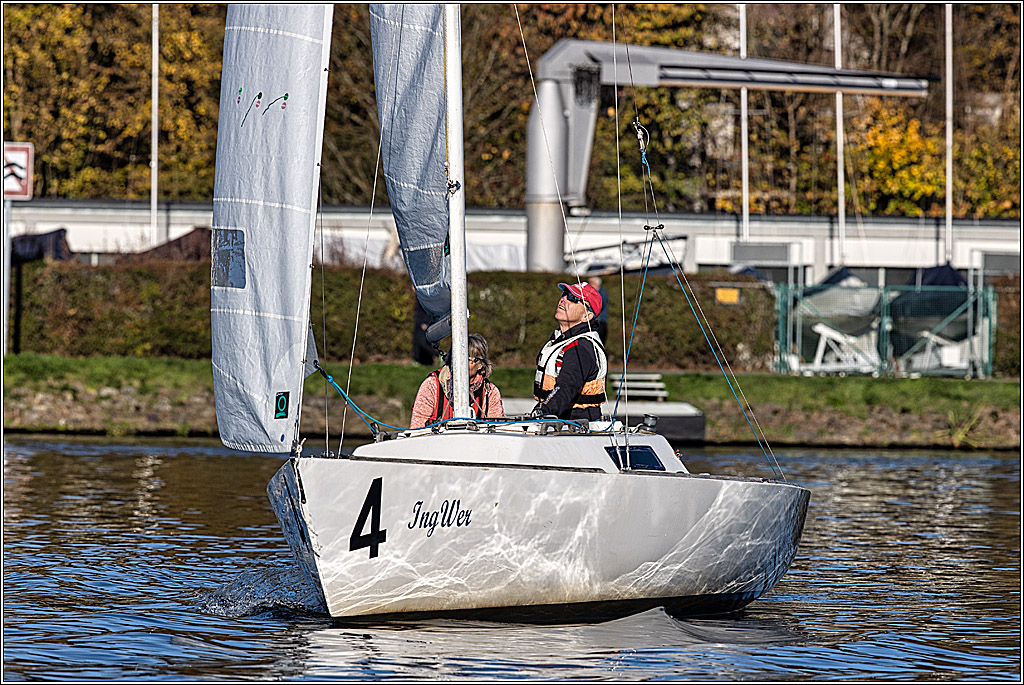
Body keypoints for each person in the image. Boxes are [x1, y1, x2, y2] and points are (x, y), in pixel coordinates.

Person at [532, 282, 607, 422]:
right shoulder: (562, 339)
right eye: (564, 294)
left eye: (573, 298)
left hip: (576, 425)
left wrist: (541, 413)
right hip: (563, 421)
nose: (564, 299)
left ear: (586, 316)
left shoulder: (581, 347)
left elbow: (566, 388)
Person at [410, 333, 504, 428]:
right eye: (458, 358)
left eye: (468, 359)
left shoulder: (490, 392)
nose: (462, 363)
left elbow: (497, 432)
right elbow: (417, 428)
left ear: (481, 364)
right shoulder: (432, 385)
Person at [412, 299, 436, 366]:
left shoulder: (423, 299)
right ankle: (416, 360)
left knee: (423, 343)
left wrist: (426, 323)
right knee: (416, 343)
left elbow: (428, 312)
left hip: (423, 325)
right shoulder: (419, 298)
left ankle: (437, 355)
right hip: (418, 324)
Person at [587, 276, 609, 344]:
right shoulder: (598, 292)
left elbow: (598, 307)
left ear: (597, 284)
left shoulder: (600, 293)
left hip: (599, 322)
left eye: (592, 283)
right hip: (597, 321)